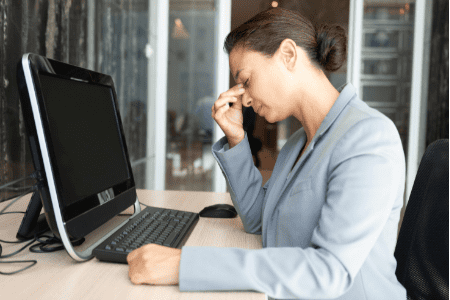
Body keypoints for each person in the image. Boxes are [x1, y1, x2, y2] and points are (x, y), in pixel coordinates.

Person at [127, 7, 407, 300]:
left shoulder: (368, 138)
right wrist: (237, 138)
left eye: (246, 81)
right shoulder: (298, 143)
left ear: (288, 55)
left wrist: (185, 265)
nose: (245, 98)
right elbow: (261, 220)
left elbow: (328, 272)